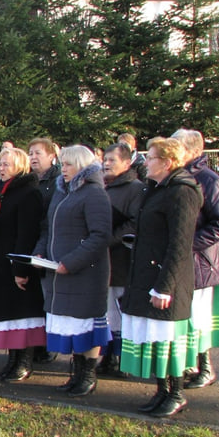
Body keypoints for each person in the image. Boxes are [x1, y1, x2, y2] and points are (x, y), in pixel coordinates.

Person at [121, 137, 203, 418]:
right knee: (155, 337)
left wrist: (165, 287)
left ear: (167, 163)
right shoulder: (156, 189)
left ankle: (176, 393)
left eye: (151, 157)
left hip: (167, 280)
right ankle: (162, 390)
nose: (146, 162)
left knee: (168, 339)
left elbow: (180, 244)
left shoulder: (182, 192)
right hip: (148, 275)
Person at [33, 145, 111, 397]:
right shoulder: (61, 192)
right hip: (59, 271)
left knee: (85, 322)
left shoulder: (94, 194)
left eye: (67, 164)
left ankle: (88, 374)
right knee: (71, 324)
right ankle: (75, 373)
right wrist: (40, 251)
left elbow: (99, 236)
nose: (62, 169)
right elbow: (48, 228)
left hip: (84, 273)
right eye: (62, 164)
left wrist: (72, 261)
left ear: (81, 166)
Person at [0, 148, 46, 381]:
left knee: (20, 314)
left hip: (16, 263)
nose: (1, 168)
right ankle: (11, 360)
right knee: (7, 315)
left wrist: (21, 269)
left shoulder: (28, 193)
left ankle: (24, 361)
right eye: (0, 164)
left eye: (7, 164)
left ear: (20, 166)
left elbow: (26, 234)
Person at [173, 128, 219, 390]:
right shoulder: (175, 178)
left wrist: (187, 246)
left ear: (194, 150)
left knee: (198, 317)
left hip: (201, 262)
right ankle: (189, 364)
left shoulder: (210, 180)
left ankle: (205, 367)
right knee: (183, 316)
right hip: (181, 260)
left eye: (177, 145)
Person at [98, 142, 144, 378]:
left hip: (122, 258)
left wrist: (107, 240)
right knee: (107, 311)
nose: (106, 164)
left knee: (121, 309)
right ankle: (107, 356)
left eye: (112, 160)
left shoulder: (135, 188)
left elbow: (135, 223)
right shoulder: (102, 187)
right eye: (105, 160)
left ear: (127, 163)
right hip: (103, 260)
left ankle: (124, 358)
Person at [27, 137, 61, 365]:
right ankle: (36, 342)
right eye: (30, 153)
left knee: (48, 296)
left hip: (49, 242)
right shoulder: (29, 180)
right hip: (31, 242)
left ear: (51, 156)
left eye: (38, 153)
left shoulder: (57, 180)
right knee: (33, 297)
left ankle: (49, 344)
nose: (33, 157)